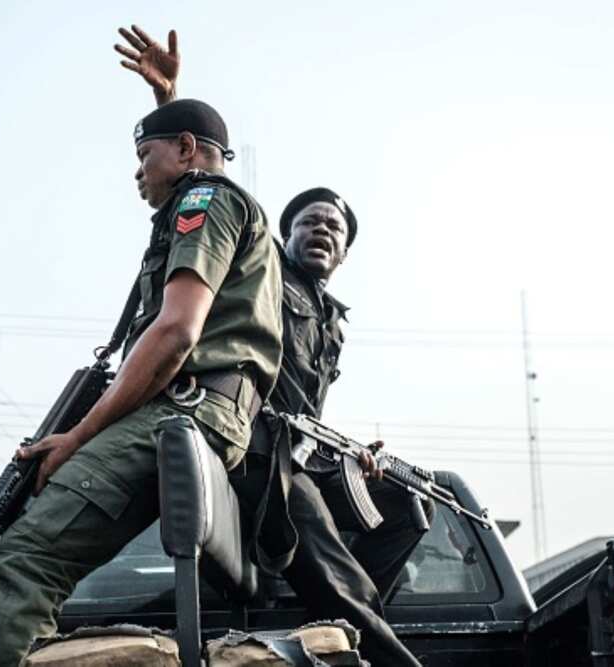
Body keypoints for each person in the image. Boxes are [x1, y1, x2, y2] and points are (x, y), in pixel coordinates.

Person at [115, 25, 432, 667]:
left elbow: (308, 402)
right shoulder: (264, 274)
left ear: (345, 251)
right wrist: (169, 101)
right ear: (283, 234)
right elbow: (193, 179)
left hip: (306, 449)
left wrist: (352, 455)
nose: (321, 231)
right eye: (309, 222)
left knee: (411, 508)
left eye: (334, 228)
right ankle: (358, 623)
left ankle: (325, 610)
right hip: (258, 446)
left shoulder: (332, 319)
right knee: (335, 570)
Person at [0, 97, 283, 665]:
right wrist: (168, 100)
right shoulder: (222, 206)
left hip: (183, 409)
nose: (137, 172)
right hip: (210, 412)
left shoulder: (204, 199)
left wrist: (77, 437)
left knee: (26, 557)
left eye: (144, 155)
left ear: (186, 150)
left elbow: (174, 334)